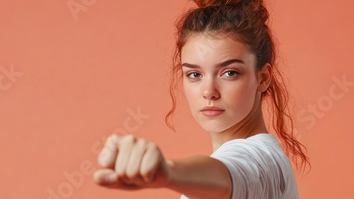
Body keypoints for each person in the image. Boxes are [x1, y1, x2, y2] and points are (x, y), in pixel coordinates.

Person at [93, 0, 310, 198]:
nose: (209, 91)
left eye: (229, 73)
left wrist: (169, 172)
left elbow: (233, 171)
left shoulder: (262, 160)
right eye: (194, 74)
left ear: (262, 78)